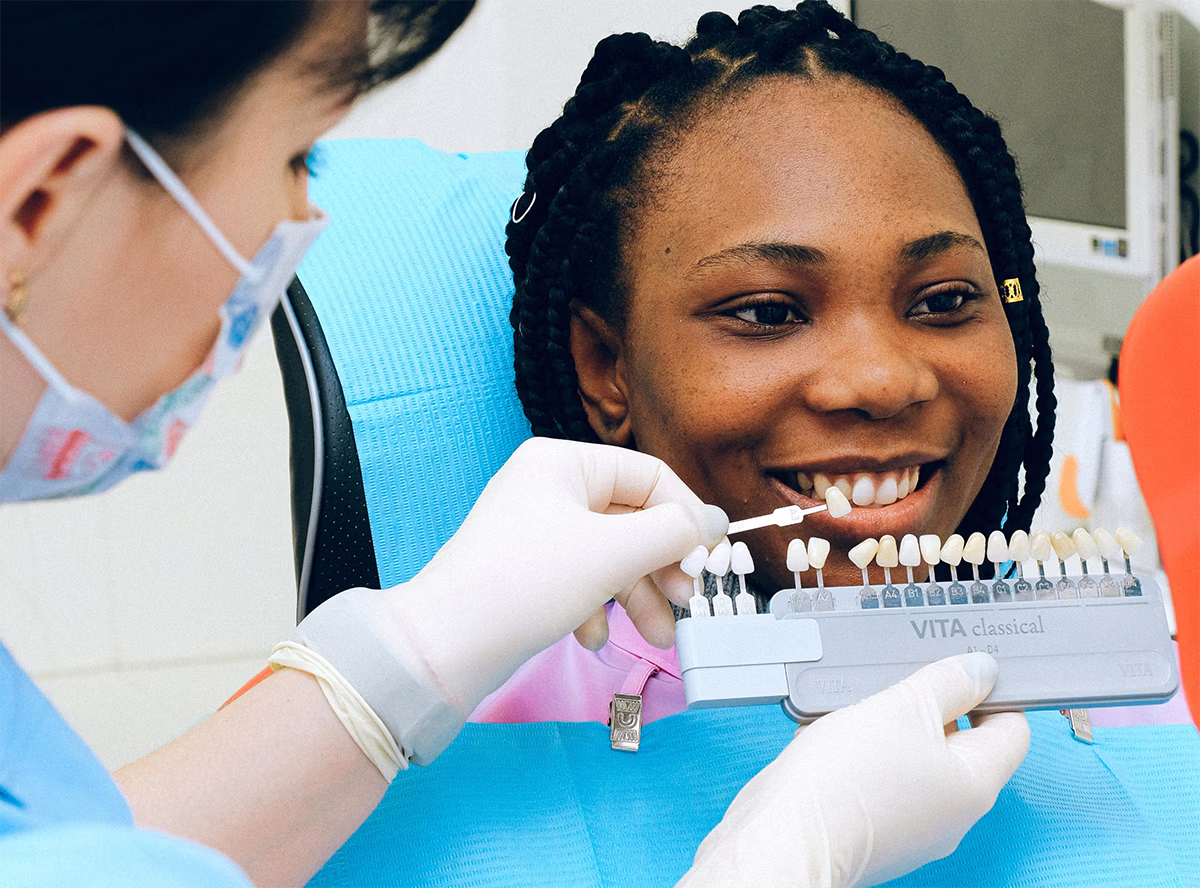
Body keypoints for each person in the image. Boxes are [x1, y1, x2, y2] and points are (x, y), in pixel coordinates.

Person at [0, 2, 1026, 887]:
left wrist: (392, 668)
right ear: (45, 194)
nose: (307, 217)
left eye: (944, 300)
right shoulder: (496, 763)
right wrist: (789, 854)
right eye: (293, 157)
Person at [482, 0, 1056, 726]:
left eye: (942, 300)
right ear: (605, 369)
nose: (882, 381)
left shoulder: (1131, 695)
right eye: (768, 313)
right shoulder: (496, 737)